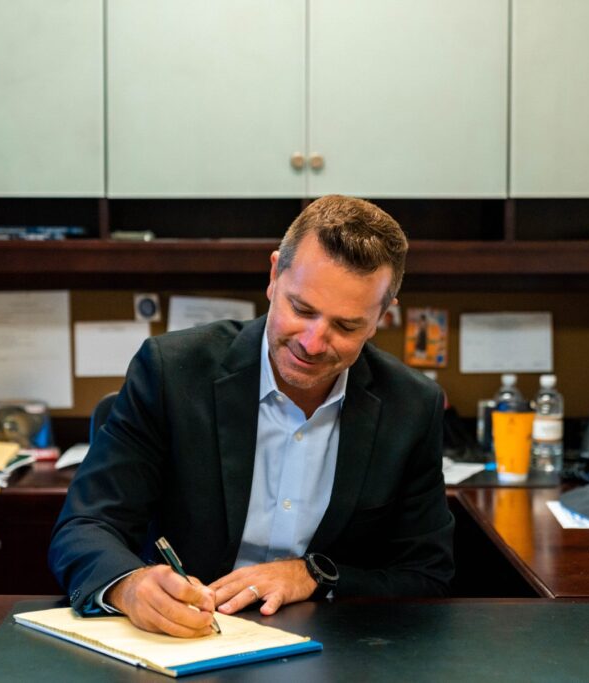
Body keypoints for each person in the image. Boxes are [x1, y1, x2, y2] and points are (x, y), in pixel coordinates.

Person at [49, 195, 455, 638]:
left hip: (331, 647)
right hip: (187, 640)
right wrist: (130, 587)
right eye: (301, 310)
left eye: (346, 326)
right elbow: (85, 527)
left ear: (381, 316)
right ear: (274, 275)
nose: (314, 342)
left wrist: (315, 576)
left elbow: (426, 575)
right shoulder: (171, 372)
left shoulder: (411, 406)